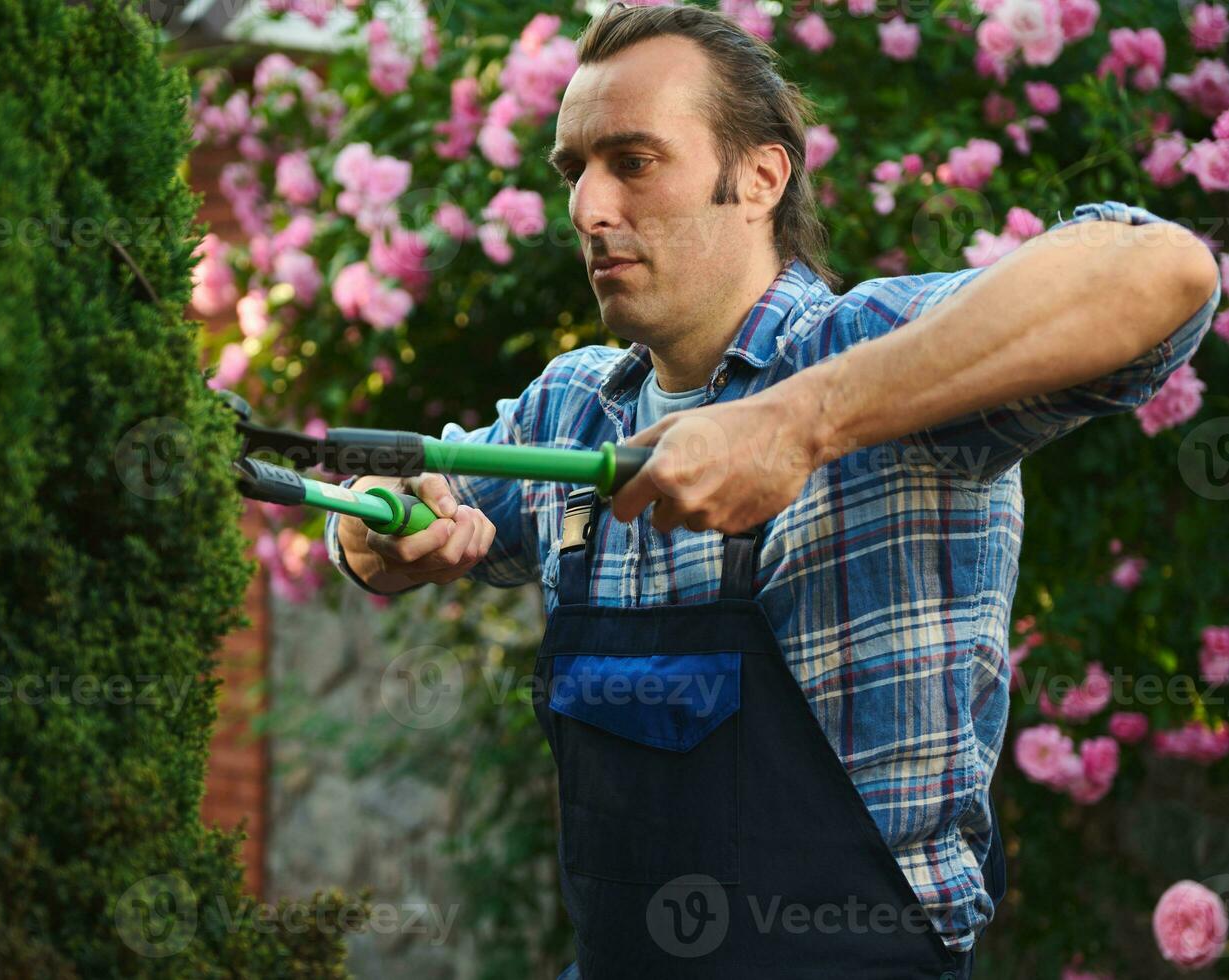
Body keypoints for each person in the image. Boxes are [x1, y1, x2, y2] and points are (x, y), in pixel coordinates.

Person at [324, 5, 1221, 977]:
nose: (586, 206)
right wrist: (370, 532)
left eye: (633, 160)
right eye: (572, 169)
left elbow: (1160, 271)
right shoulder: (573, 407)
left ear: (760, 176)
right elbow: (417, 489)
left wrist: (799, 421)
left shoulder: (873, 352)